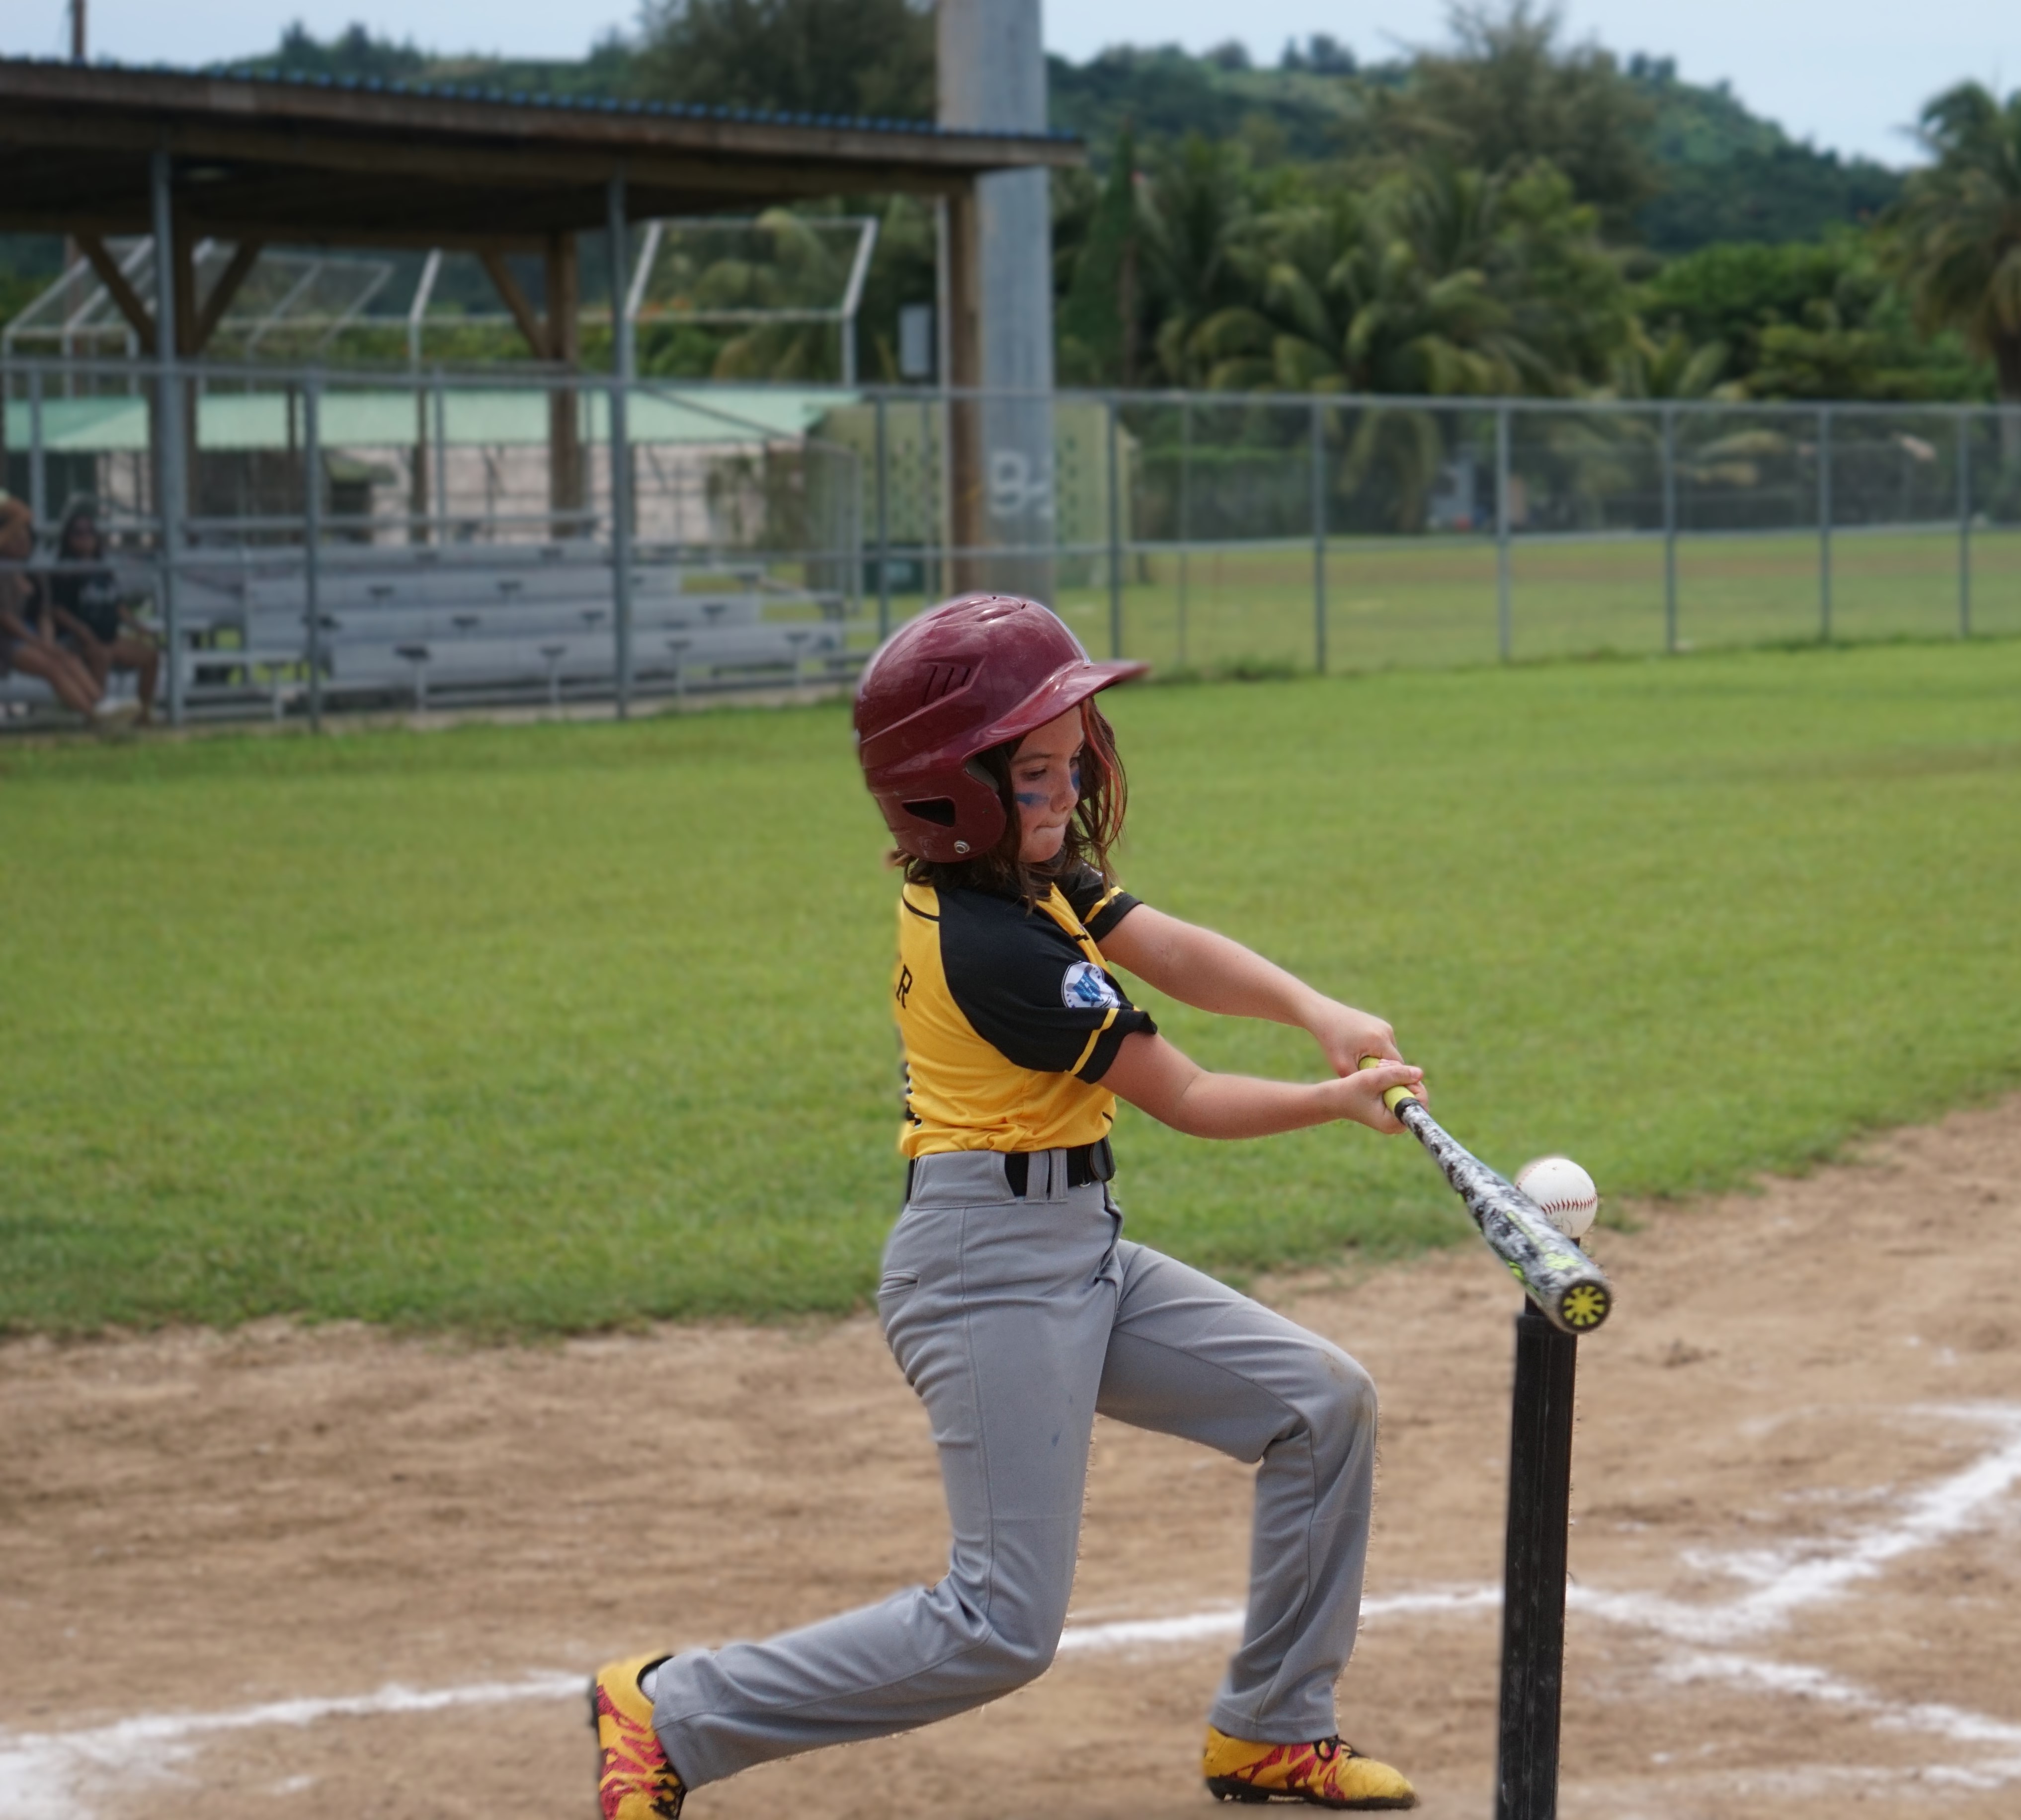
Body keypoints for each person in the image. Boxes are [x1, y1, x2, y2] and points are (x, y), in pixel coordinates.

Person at [592, 596, 1427, 1816]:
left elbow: (1173, 947)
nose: (1070, 782)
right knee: (999, 1624)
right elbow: (1185, 1095)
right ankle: (674, 1713)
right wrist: (1336, 1097)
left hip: (1074, 1248)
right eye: (1036, 769)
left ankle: (1271, 1727)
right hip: (986, 1267)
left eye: (1069, 757)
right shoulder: (998, 947)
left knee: (1320, 1403)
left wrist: (1320, 1009)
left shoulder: (1028, 884)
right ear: (957, 791)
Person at [41, 497, 161, 724]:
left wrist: (139, 627)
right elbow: (57, 611)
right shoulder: (64, 571)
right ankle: (99, 716)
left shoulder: (103, 568)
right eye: (79, 532)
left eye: (90, 532)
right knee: (100, 655)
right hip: (77, 639)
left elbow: (117, 605)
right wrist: (83, 631)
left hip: (109, 635)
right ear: (68, 538)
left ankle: (143, 714)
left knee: (150, 656)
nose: (86, 537)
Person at [0, 495, 115, 725]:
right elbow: (6, 618)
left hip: (31, 636)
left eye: (26, 537)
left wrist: (48, 643)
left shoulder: (35, 573)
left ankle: (102, 706)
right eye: (16, 538)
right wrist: (38, 644)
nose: (22, 543)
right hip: (9, 639)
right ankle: (95, 718)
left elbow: (45, 614)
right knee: (52, 667)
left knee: (67, 659)